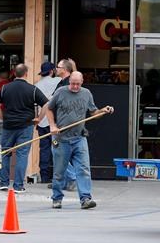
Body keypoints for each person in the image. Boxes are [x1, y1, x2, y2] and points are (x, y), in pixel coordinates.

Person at [44, 71, 114, 209]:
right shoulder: (60, 92)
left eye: (78, 84)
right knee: (59, 171)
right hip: (61, 138)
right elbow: (49, 109)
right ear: (69, 81)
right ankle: (57, 198)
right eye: (72, 83)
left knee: (83, 169)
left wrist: (103, 111)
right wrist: (52, 125)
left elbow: (93, 113)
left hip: (79, 138)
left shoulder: (86, 93)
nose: (75, 86)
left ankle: (85, 198)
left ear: (82, 82)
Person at [0, 64, 48, 193]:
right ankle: (18, 186)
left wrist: (4, 118)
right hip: (26, 126)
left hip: (8, 126)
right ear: (26, 74)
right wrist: (39, 118)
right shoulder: (32, 89)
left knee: (4, 153)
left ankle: (3, 183)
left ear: (14, 73)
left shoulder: (5, 88)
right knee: (22, 155)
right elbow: (46, 103)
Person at [51, 58, 78, 190]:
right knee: (59, 152)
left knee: (58, 152)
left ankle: (71, 178)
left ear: (65, 70)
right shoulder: (61, 83)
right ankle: (63, 181)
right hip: (58, 123)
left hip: (64, 125)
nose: (56, 69)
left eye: (59, 67)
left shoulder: (69, 84)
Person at [35, 61, 61, 183]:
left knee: (44, 149)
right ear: (52, 71)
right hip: (54, 122)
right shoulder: (57, 81)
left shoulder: (37, 85)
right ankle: (57, 176)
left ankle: (44, 176)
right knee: (57, 148)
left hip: (41, 122)